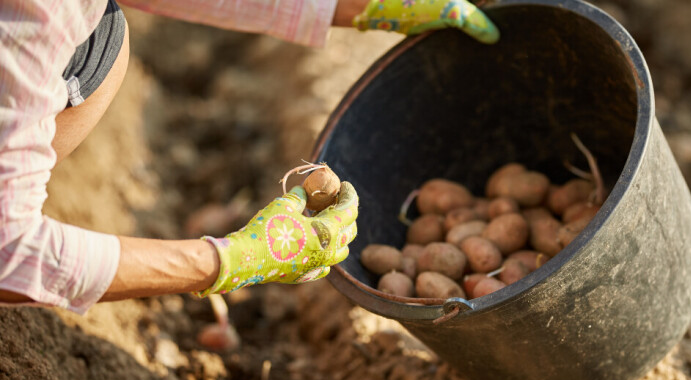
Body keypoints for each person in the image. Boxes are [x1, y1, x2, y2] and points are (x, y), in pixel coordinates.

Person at [0, 0, 499, 316]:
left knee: (101, 42)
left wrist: (362, 7)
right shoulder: (28, 20)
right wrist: (230, 259)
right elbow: (9, 252)